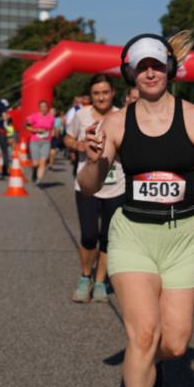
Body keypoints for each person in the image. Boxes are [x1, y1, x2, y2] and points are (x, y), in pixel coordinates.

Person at [77, 32, 194, 387]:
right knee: (144, 333)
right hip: (133, 234)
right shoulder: (115, 123)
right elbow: (89, 187)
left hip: (183, 236)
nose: (150, 72)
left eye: (158, 65)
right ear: (130, 71)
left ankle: (149, 367)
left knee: (176, 344)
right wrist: (92, 162)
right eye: (142, 66)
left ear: (170, 69)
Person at [66, 75, 123, 303]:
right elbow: (67, 139)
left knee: (108, 238)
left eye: (105, 92)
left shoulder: (122, 117)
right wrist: (79, 145)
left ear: (112, 93)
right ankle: (85, 276)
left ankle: (100, 282)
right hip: (87, 185)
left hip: (116, 186)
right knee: (89, 236)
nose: (101, 97)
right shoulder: (81, 116)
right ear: (91, 96)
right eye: (96, 93)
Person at [25, 100, 55, 185]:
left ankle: (38, 180)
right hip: (35, 140)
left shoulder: (51, 117)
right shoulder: (33, 116)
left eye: (45, 106)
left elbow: (52, 127)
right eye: (42, 106)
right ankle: (34, 172)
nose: (43, 108)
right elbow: (26, 126)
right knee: (35, 163)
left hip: (46, 141)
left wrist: (52, 133)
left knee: (43, 161)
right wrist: (36, 130)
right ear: (39, 108)